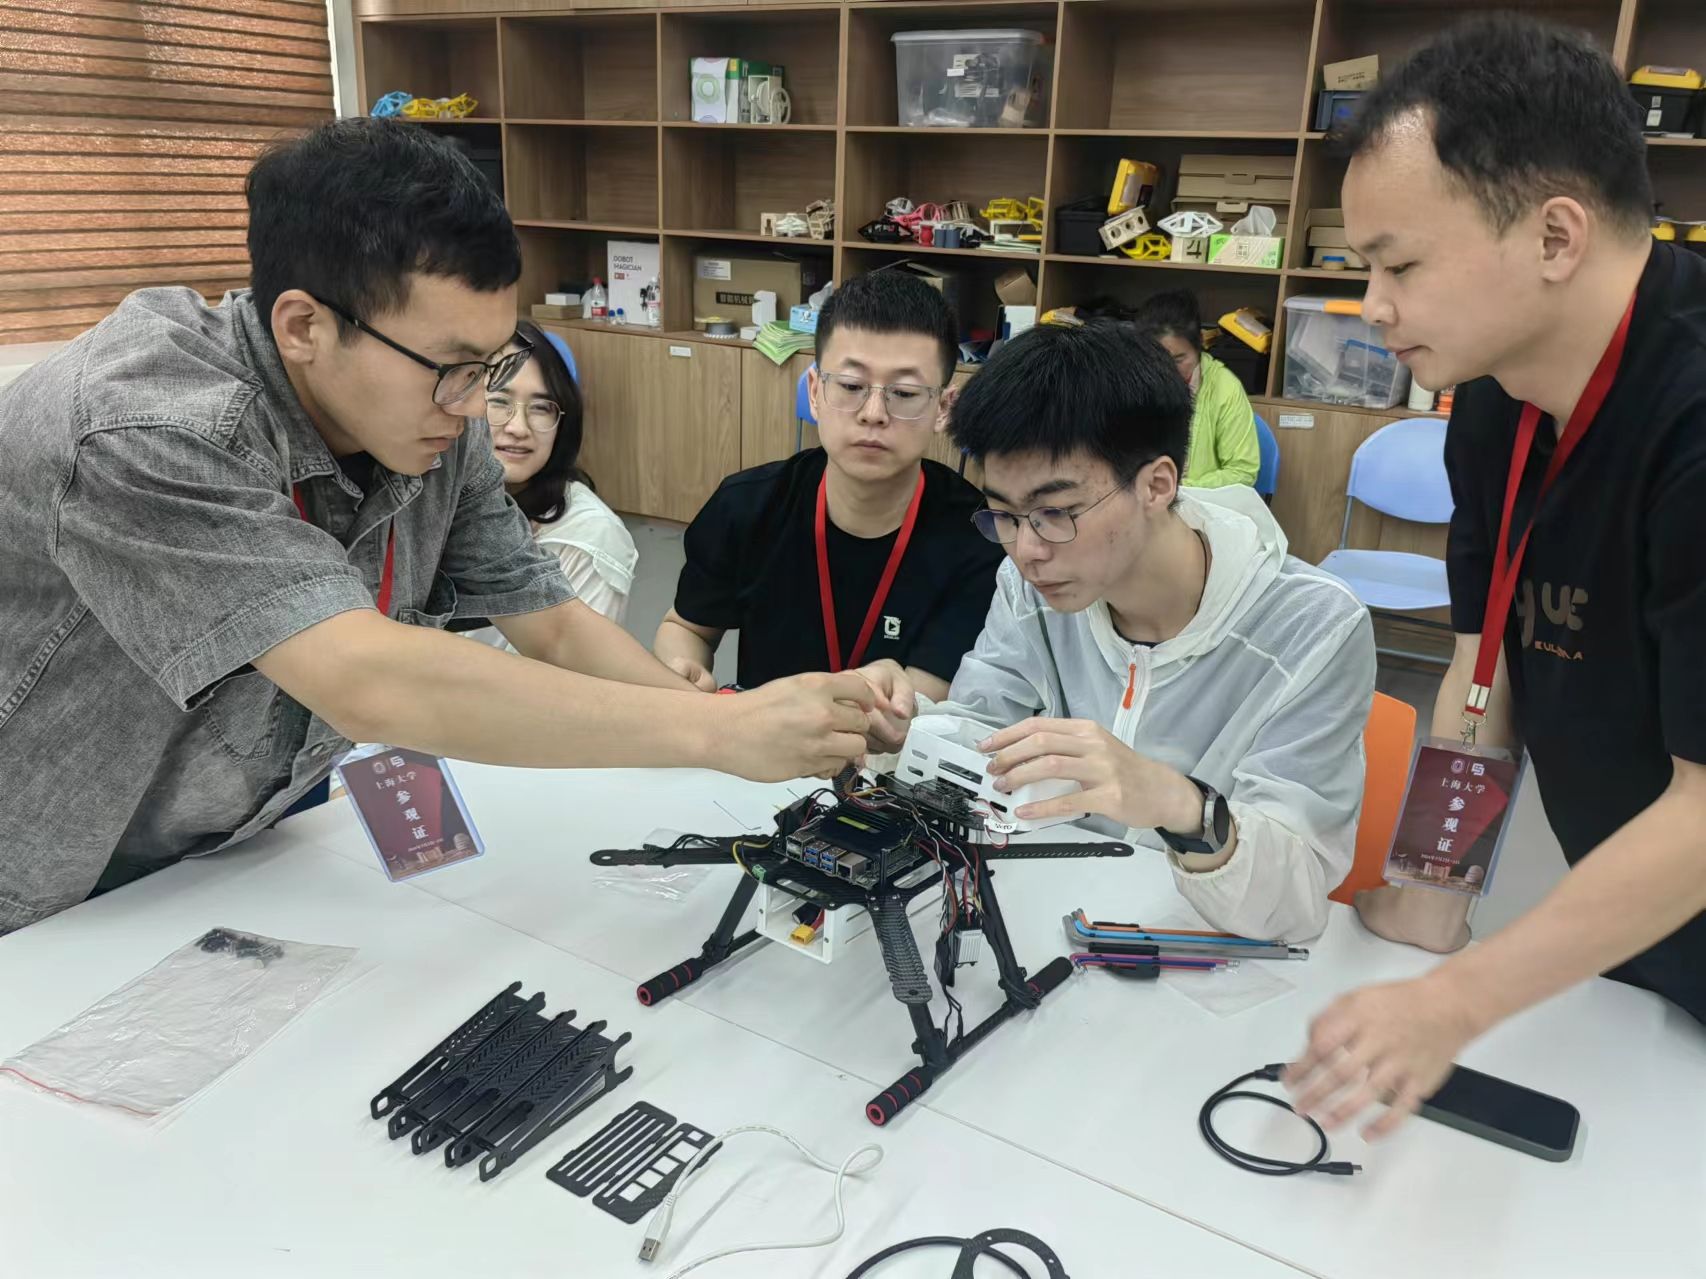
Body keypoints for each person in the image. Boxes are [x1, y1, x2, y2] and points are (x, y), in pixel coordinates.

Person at [0, 118, 879, 935]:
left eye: (488, 366)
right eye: (454, 369)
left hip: (219, 849)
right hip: (42, 877)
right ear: (305, 326)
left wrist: (738, 722)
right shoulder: (142, 428)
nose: (475, 408)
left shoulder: (430, 420)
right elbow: (366, 678)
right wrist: (722, 733)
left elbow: (554, 625)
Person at [1285, 15, 1706, 1140]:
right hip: (1635, 931)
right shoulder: (1494, 399)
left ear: (1554, 235)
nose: (1373, 306)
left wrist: (1456, 1002)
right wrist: (1434, 894)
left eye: (1400, 265)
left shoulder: (1690, 418)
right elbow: (1485, 667)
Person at [871, 320, 1375, 941]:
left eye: (1055, 511)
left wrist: (1179, 804)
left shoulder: (1315, 626)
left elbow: (1295, 902)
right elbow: (982, 729)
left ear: (1157, 485)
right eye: (1003, 514)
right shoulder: (1029, 586)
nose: (1026, 550)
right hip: (1051, 924)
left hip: (1201, 950)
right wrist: (902, 728)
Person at [654, 269, 1002, 700]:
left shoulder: (979, 538)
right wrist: (682, 669)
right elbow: (687, 627)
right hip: (756, 736)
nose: (873, 413)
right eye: (852, 386)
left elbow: (919, 699)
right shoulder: (746, 507)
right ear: (816, 392)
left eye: (905, 393)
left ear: (943, 408)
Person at [478, 320, 638, 629]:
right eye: (498, 401)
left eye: (541, 408)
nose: (519, 428)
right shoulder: (425, 500)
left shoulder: (589, 536)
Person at [1133, 290, 1260, 489]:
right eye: (1157, 360)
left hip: (1199, 498)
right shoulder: (1132, 384)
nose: (1168, 370)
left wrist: (1183, 488)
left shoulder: (1224, 388)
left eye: (1179, 359)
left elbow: (1242, 471)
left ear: (1200, 343)